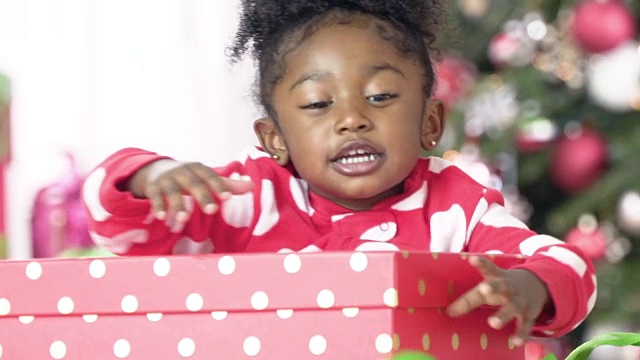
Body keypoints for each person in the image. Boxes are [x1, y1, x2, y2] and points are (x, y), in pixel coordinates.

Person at [82, 0, 596, 348]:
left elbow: (568, 266)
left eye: (380, 96)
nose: (352, 118)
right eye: (317, 103)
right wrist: (149, 178)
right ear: (275, 139)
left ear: (430, 123)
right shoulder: (247, 197)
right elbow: (119, 229)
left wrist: (528, 287)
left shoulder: (455, 208)